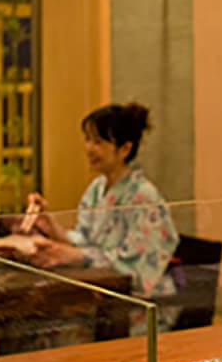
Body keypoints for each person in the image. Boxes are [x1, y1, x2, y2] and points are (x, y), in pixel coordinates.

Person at [21, 103, 179, 312]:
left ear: (125, 149)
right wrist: (50, 226)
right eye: (87, 140)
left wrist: (74, 255)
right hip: (102, 295)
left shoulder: (144, 197)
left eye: (98, 142)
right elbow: (85, 240)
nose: (89, 148)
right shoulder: (97, 189)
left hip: (139, 307)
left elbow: (136, 268)